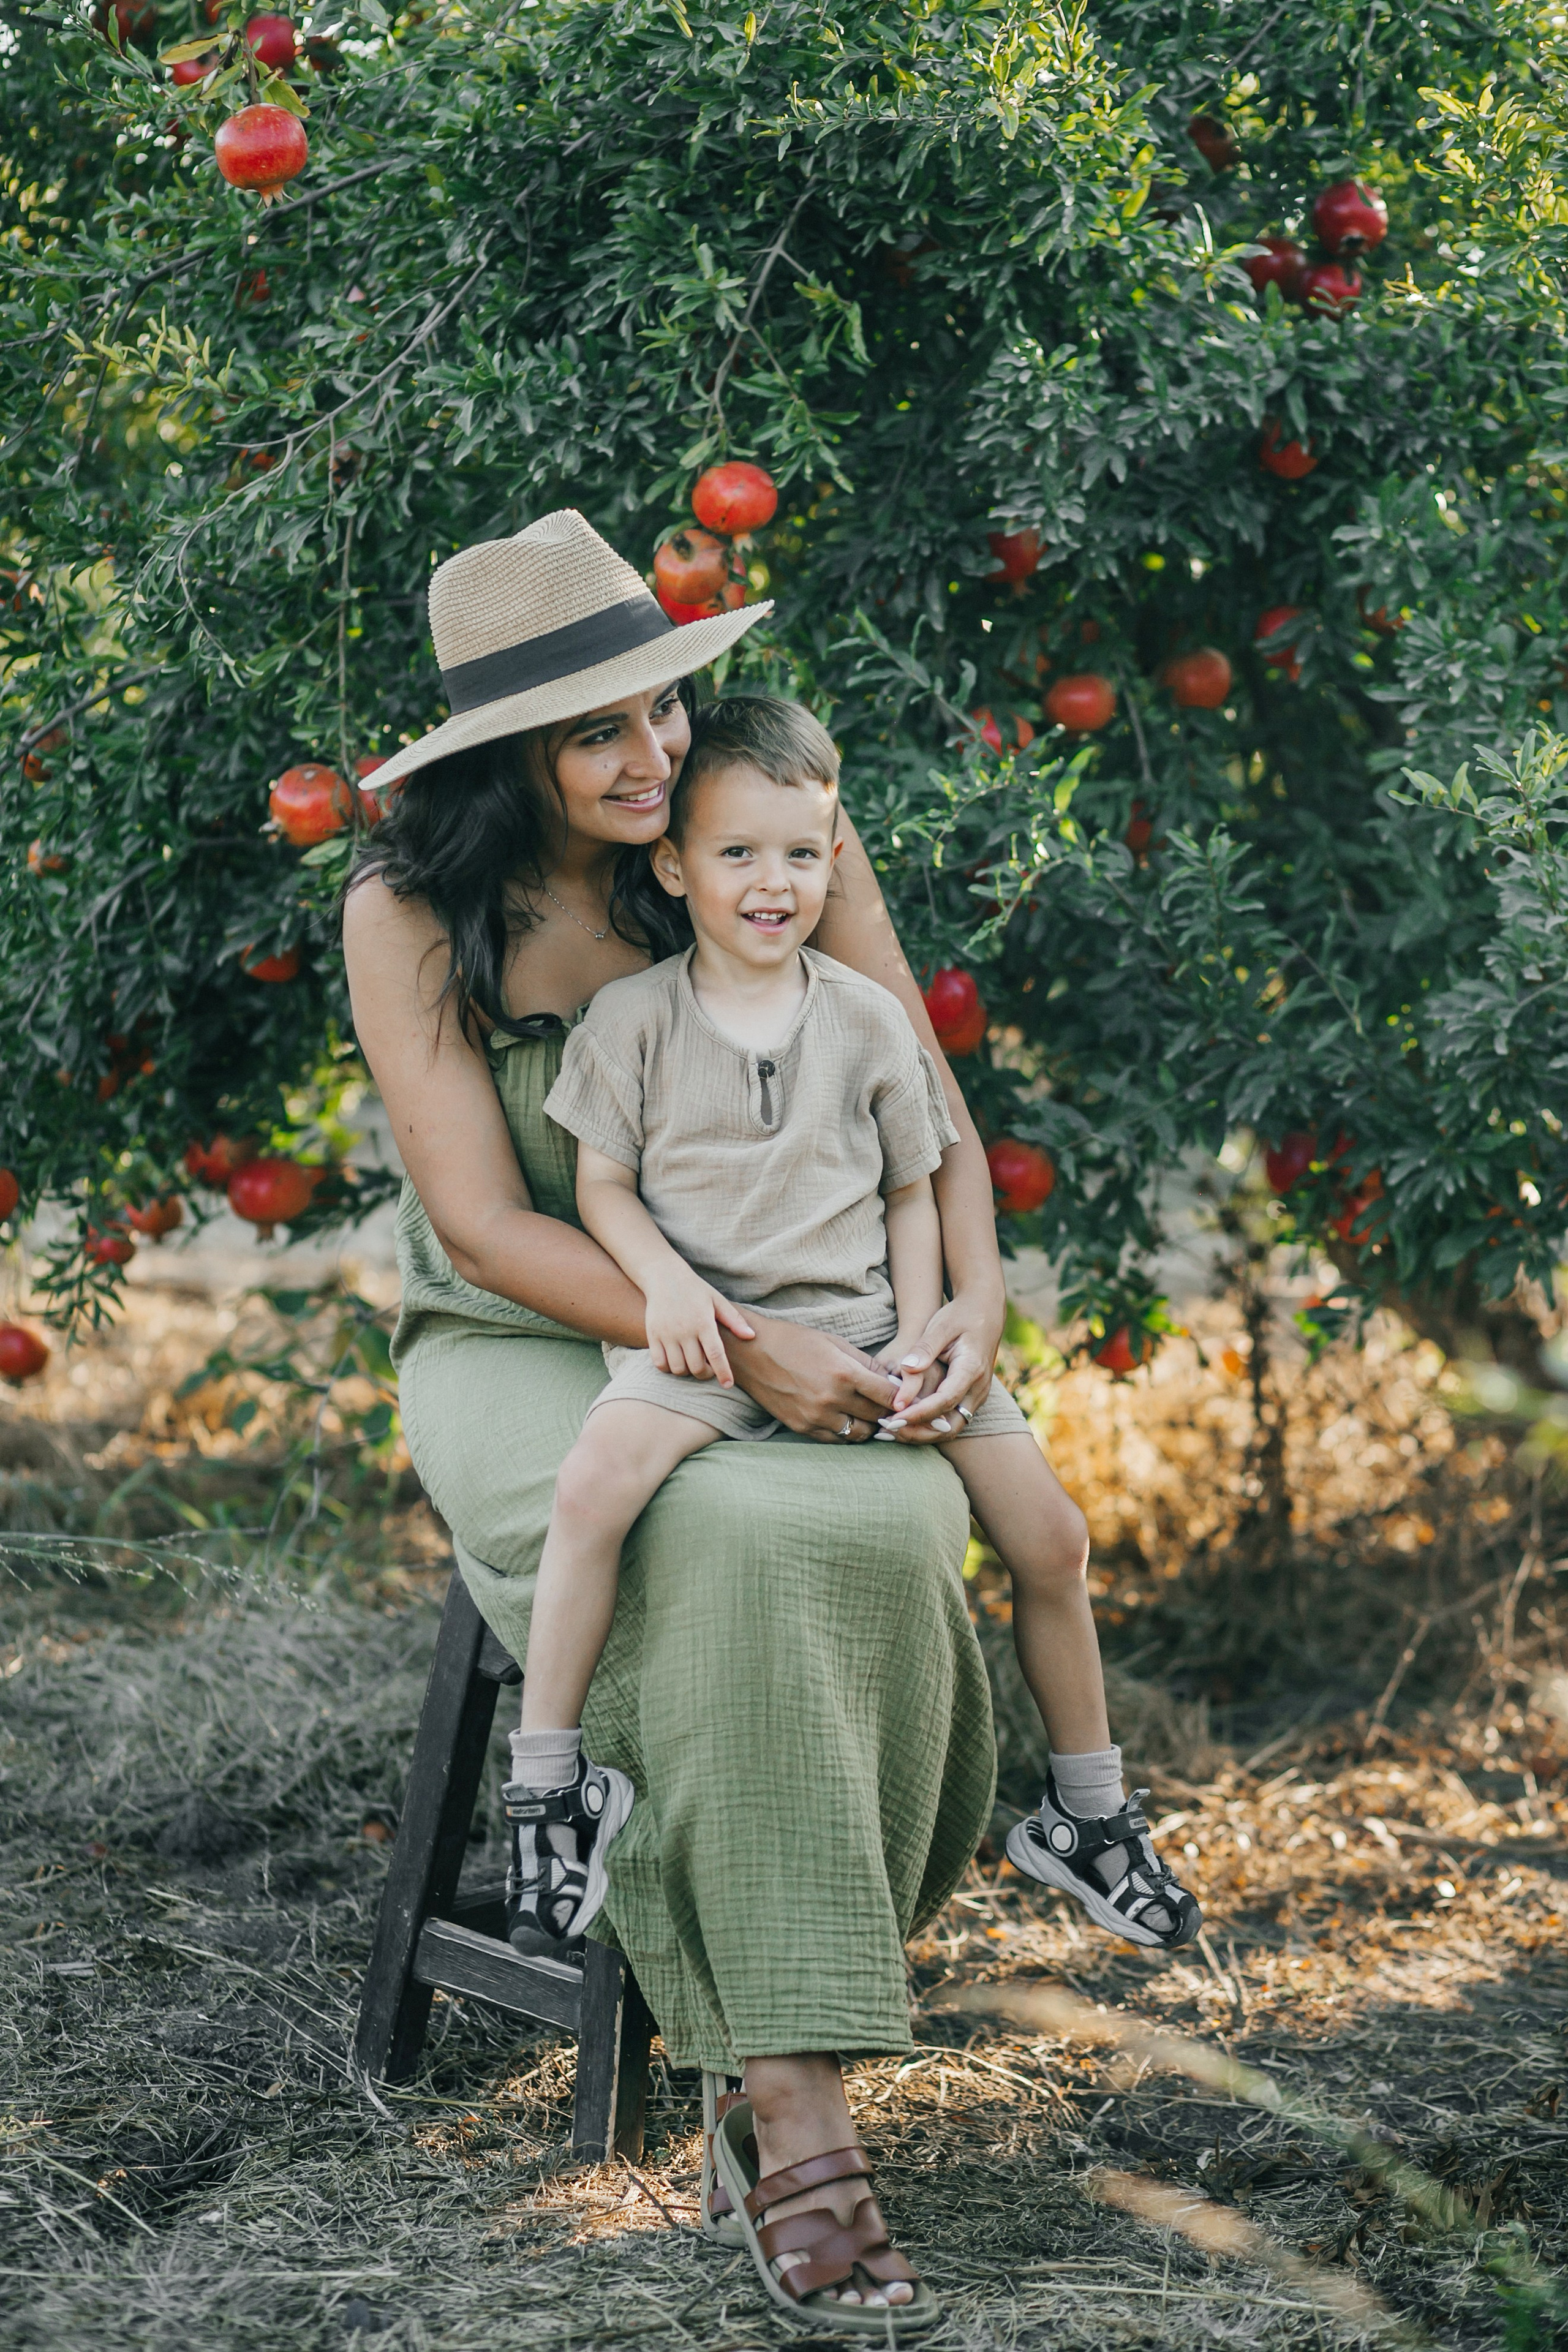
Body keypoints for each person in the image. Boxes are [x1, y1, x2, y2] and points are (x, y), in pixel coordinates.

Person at [341, 509, 1107, 2333]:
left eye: (662, 711)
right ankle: (795, 2120)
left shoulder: (763, 834)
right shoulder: (409, 912)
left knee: (892, 1516)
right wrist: (731, 1343)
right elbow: (487, 1222)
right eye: (597, 731)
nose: (649, 756)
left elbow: (923, 1094)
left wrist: (967, 1311)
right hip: (535, 1333)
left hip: (838, 1317)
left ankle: (789, 1987)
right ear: (506, 755)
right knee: (722, 1534)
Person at [510, 695, 1200, 1980]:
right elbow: (600, 1187)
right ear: (674, 866)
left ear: (835, 857)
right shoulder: (637, 1022)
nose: (771, 884)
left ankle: (1090, 1814)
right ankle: (550, 1791)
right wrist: (667, 1291)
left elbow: (908, 1182)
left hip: (873, 1330)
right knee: (592, 1488)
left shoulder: (869, 1020)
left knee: (1053, 1536)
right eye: (735, 855)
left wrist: (934, 1322)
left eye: (800, 854)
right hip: (708, 1338)